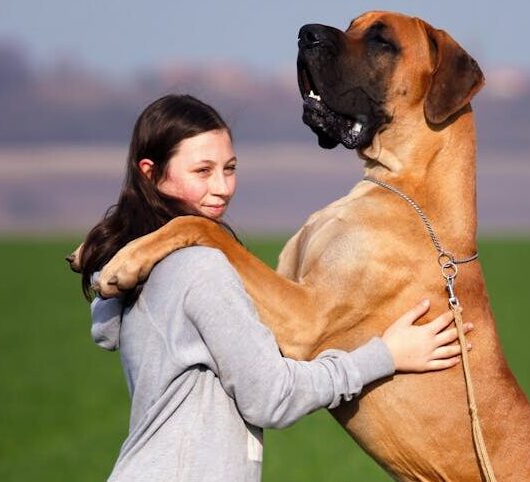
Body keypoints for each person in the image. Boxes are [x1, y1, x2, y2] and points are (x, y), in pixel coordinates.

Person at [78, 94, 473, 482]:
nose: (222, 187)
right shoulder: (198, 267)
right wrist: (385, 355)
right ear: (150, 173)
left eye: (229, 168)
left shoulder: (146, 269)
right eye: (202, 171)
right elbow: (273, 397)